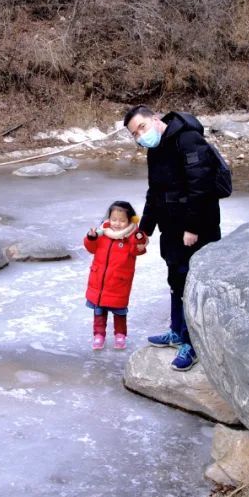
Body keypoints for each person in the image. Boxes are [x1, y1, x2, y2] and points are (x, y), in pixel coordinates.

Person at [123, 105, 223, 371]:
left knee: (192, 284)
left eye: (142, 127)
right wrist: (144, 229)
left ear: (155, 119)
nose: (140, 136)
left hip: (197, 228)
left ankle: (193, 344)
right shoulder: (155, 150)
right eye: (135, 134)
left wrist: (193, 227)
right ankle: (177, 332)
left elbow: (200, 186)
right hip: (171, 228)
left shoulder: (188, 139)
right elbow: (154, 193)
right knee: (175, 279)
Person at [83, 200, 147, 350]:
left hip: (118, 282)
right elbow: (91, 248)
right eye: (114, 219)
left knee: (119, 312)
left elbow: (139, 249)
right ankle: (99, 335)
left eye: (122, 220)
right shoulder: (103, 233)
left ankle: (120, 335)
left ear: (130, 220)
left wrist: (138, 237)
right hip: (99, 282)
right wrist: (91, 237)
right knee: (99, 311)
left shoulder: (131, 237)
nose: (117, 223)